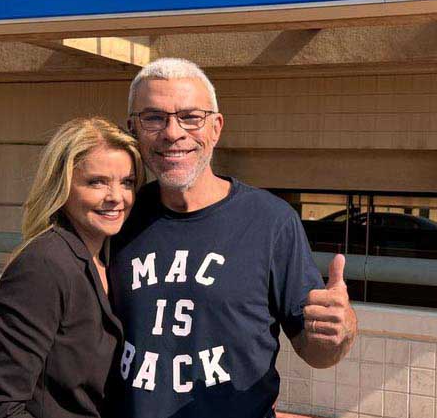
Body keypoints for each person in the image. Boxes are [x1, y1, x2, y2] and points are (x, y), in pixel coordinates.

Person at [108, 58, 357, 418]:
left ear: (216, 128)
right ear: (133, 129)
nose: (173, 133)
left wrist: (339, 332)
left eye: (191, 117)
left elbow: (316, 352)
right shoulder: (117, 218)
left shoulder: (271, 221)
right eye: (154, 118)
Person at [0, 118, 142, 418]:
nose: (116, 197)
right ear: (62, 186)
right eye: (97, 182)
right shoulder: (43, 265)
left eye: (127, 182)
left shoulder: (112, 258)